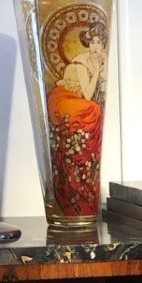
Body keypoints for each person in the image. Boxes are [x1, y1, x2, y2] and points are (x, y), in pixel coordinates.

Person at [47, 23, 106, 215]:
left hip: (76, 102)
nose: (96, 46)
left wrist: (100, 71)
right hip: (63, 100)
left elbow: (99, 90)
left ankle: (85, 155)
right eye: (93, 42)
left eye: (100, 42)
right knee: (95, 109)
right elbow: (88, 96)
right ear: (88, 43)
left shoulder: (97, 61)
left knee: (97, 110)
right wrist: (97, 72)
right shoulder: (81, 61)